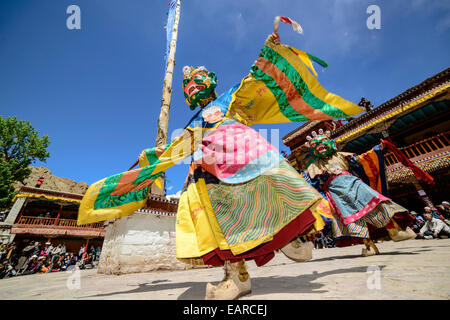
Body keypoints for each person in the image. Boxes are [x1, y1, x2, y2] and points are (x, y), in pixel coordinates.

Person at [77, 17, 365, 300]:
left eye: (197, 78)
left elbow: (257, 79)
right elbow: (179, 146)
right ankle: (236, 276)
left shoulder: (231, 96)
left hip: (243, 154)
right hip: (209, 171)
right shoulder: (194, 122)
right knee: (220, 224)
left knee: (271, 187)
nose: (191, 83)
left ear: (211, 80)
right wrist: (155, 156)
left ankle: (290, 235)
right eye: (187, 83)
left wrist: (269, 54)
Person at [303, 132, 416, 257]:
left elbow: (362, 159)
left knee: (375, 203)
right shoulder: (313, 167)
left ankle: (394, 230)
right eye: (315, 145)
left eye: (323, 141)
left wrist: (377, 149)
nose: (320, 146)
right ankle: (369, 246)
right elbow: (309, 182)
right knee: (353, 218)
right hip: (336, 193)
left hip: (354, 183)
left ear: (331, 143)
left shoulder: (342, 155)